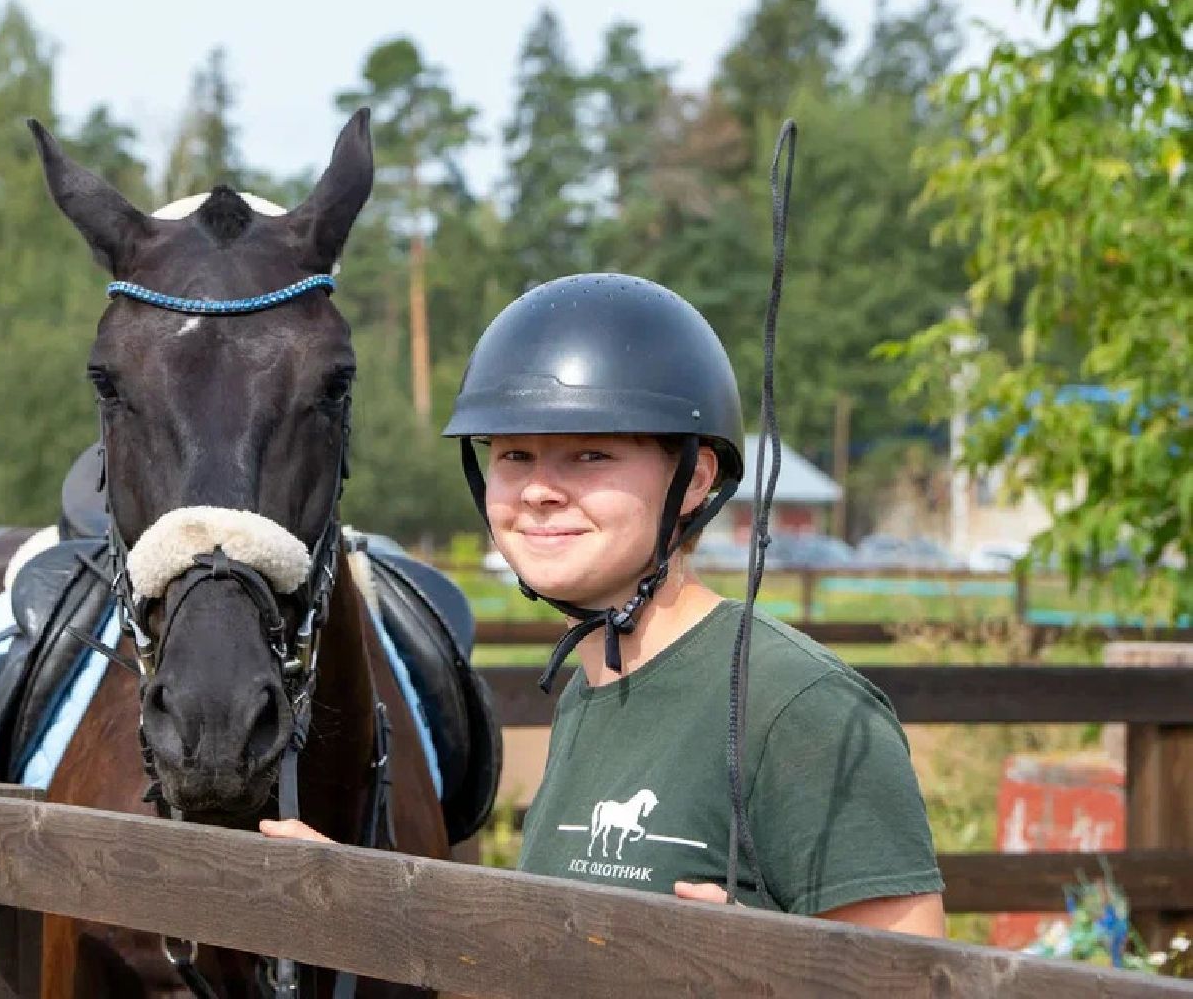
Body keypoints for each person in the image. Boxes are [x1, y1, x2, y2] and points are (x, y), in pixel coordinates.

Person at [264, 273, 945, 936]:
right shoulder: (591, 696)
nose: (539, 490)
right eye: (515, 455)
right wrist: (362, 904)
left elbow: (913, 982)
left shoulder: (797, 704)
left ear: (694, 479)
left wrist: (758, 973)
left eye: (589, 455)